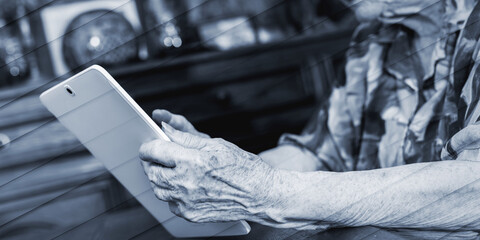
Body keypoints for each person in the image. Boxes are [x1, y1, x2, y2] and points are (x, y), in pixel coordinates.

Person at [139, 0, 480, 238]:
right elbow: (318, 153)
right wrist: (218, 166)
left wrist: (269, 192)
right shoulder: (375, 39)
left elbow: (473, 188)